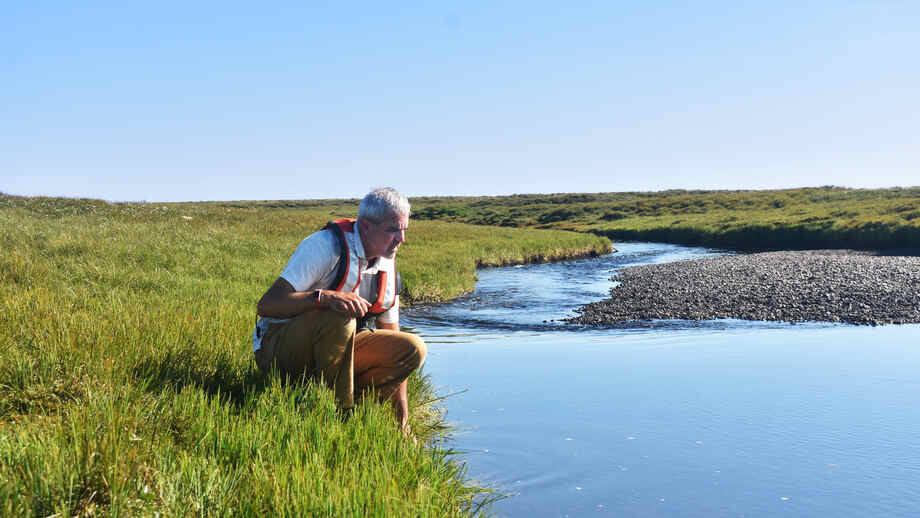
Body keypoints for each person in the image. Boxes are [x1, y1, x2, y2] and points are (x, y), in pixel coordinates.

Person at [253, 187, 426, 436]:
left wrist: (403, 421)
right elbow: (268, 304)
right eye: (392, 230)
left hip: (336, 354)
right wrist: (323, 298)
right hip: (278, 351)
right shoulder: (324, 246)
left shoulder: (387, 265)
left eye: (404, 230)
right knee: (341, 315)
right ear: (366, 226)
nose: (401, 239)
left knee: (412, 348)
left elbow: (393, 338)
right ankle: (341, 417)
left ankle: (368, 411)